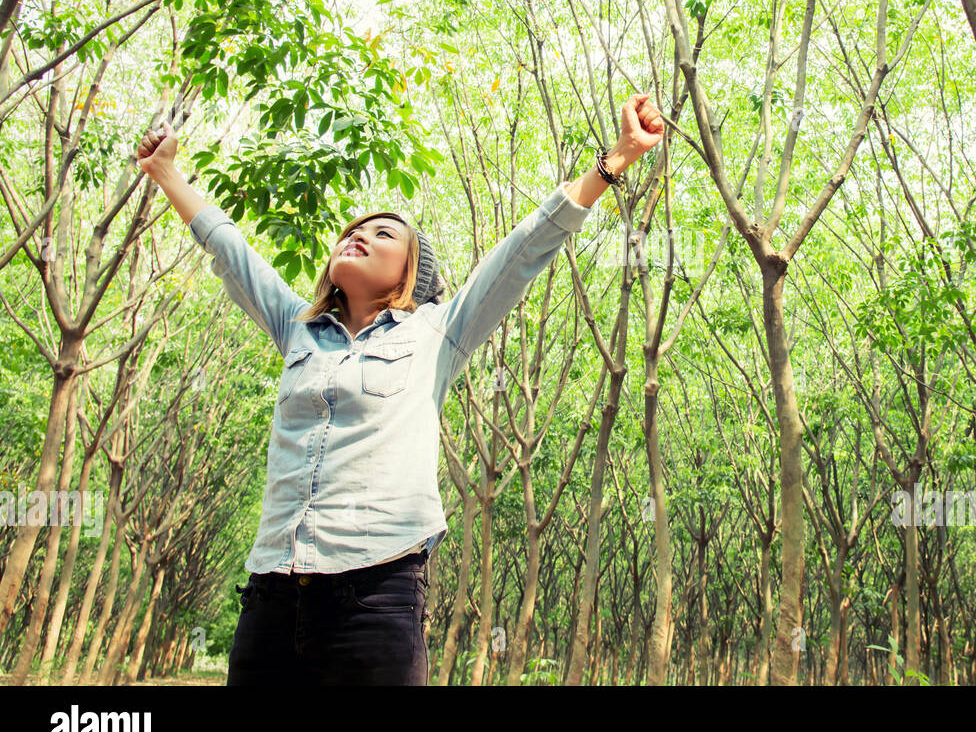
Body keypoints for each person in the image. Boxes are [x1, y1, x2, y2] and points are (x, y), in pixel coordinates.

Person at [136, 94, 664, 684]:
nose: (355, 238)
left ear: (413, 271)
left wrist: (615, 158)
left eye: (380, 233)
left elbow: (524, 251)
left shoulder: (440, 331)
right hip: (272, 595)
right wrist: (165, 173)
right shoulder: (297, 329)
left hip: (376, 594)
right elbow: (229, 249)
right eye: (350, 234)